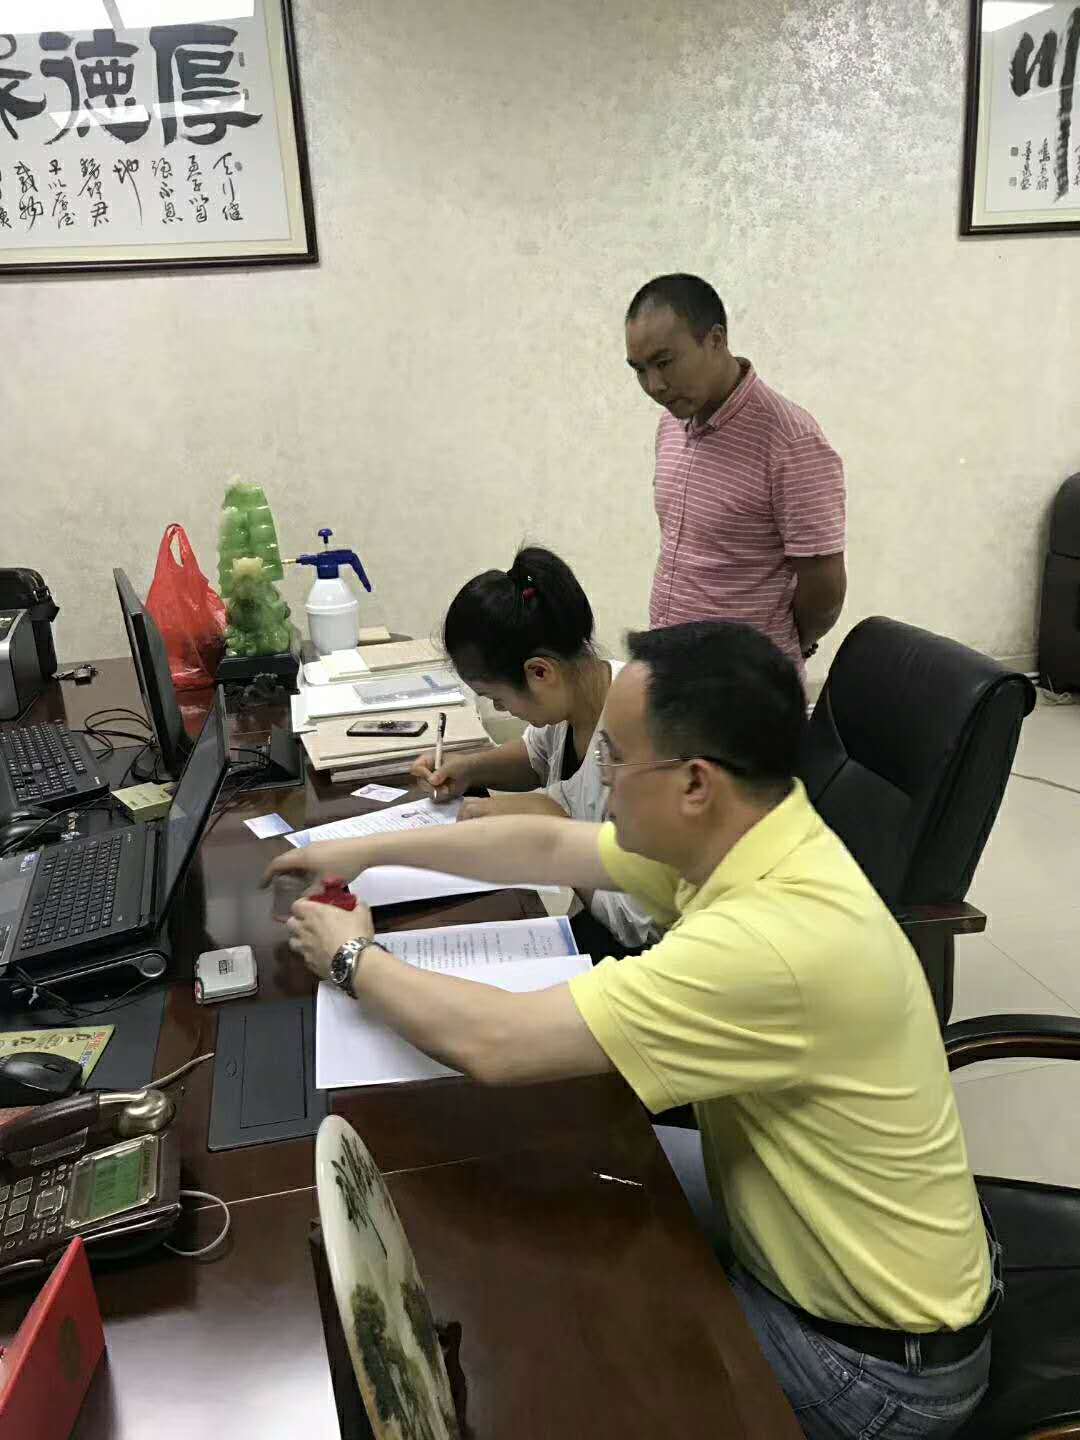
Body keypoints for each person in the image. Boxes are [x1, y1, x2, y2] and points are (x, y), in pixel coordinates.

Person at [266, 620, 998, 1440]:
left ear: (695, 783)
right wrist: (366, 852)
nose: (601, 780)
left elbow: (496, 1043)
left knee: (558, 1344)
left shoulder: (767, 942)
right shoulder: (750, 832)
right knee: (549, 1178)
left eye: (614, 757)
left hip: (866, 1364)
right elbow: (548, 844)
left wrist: (351, 958)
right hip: (798, 1232)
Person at [411, 544, 657, 955]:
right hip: (592, 920)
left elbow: (636, 923)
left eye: (497, 698)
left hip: (643, 955)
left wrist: (554, 831)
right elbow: (535, 757)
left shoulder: (642, 741)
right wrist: (469, 769)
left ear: (540, 672)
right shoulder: (577, 696)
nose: (499, 709)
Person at [625, 273, 847, 675]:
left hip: (746, 685)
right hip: (671, 671)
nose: (654, 385)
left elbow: (824, 590)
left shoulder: (791, 441)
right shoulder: (672, 423)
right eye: (640, 370)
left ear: (715, 340)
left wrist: (775, 647)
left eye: (664, 362)